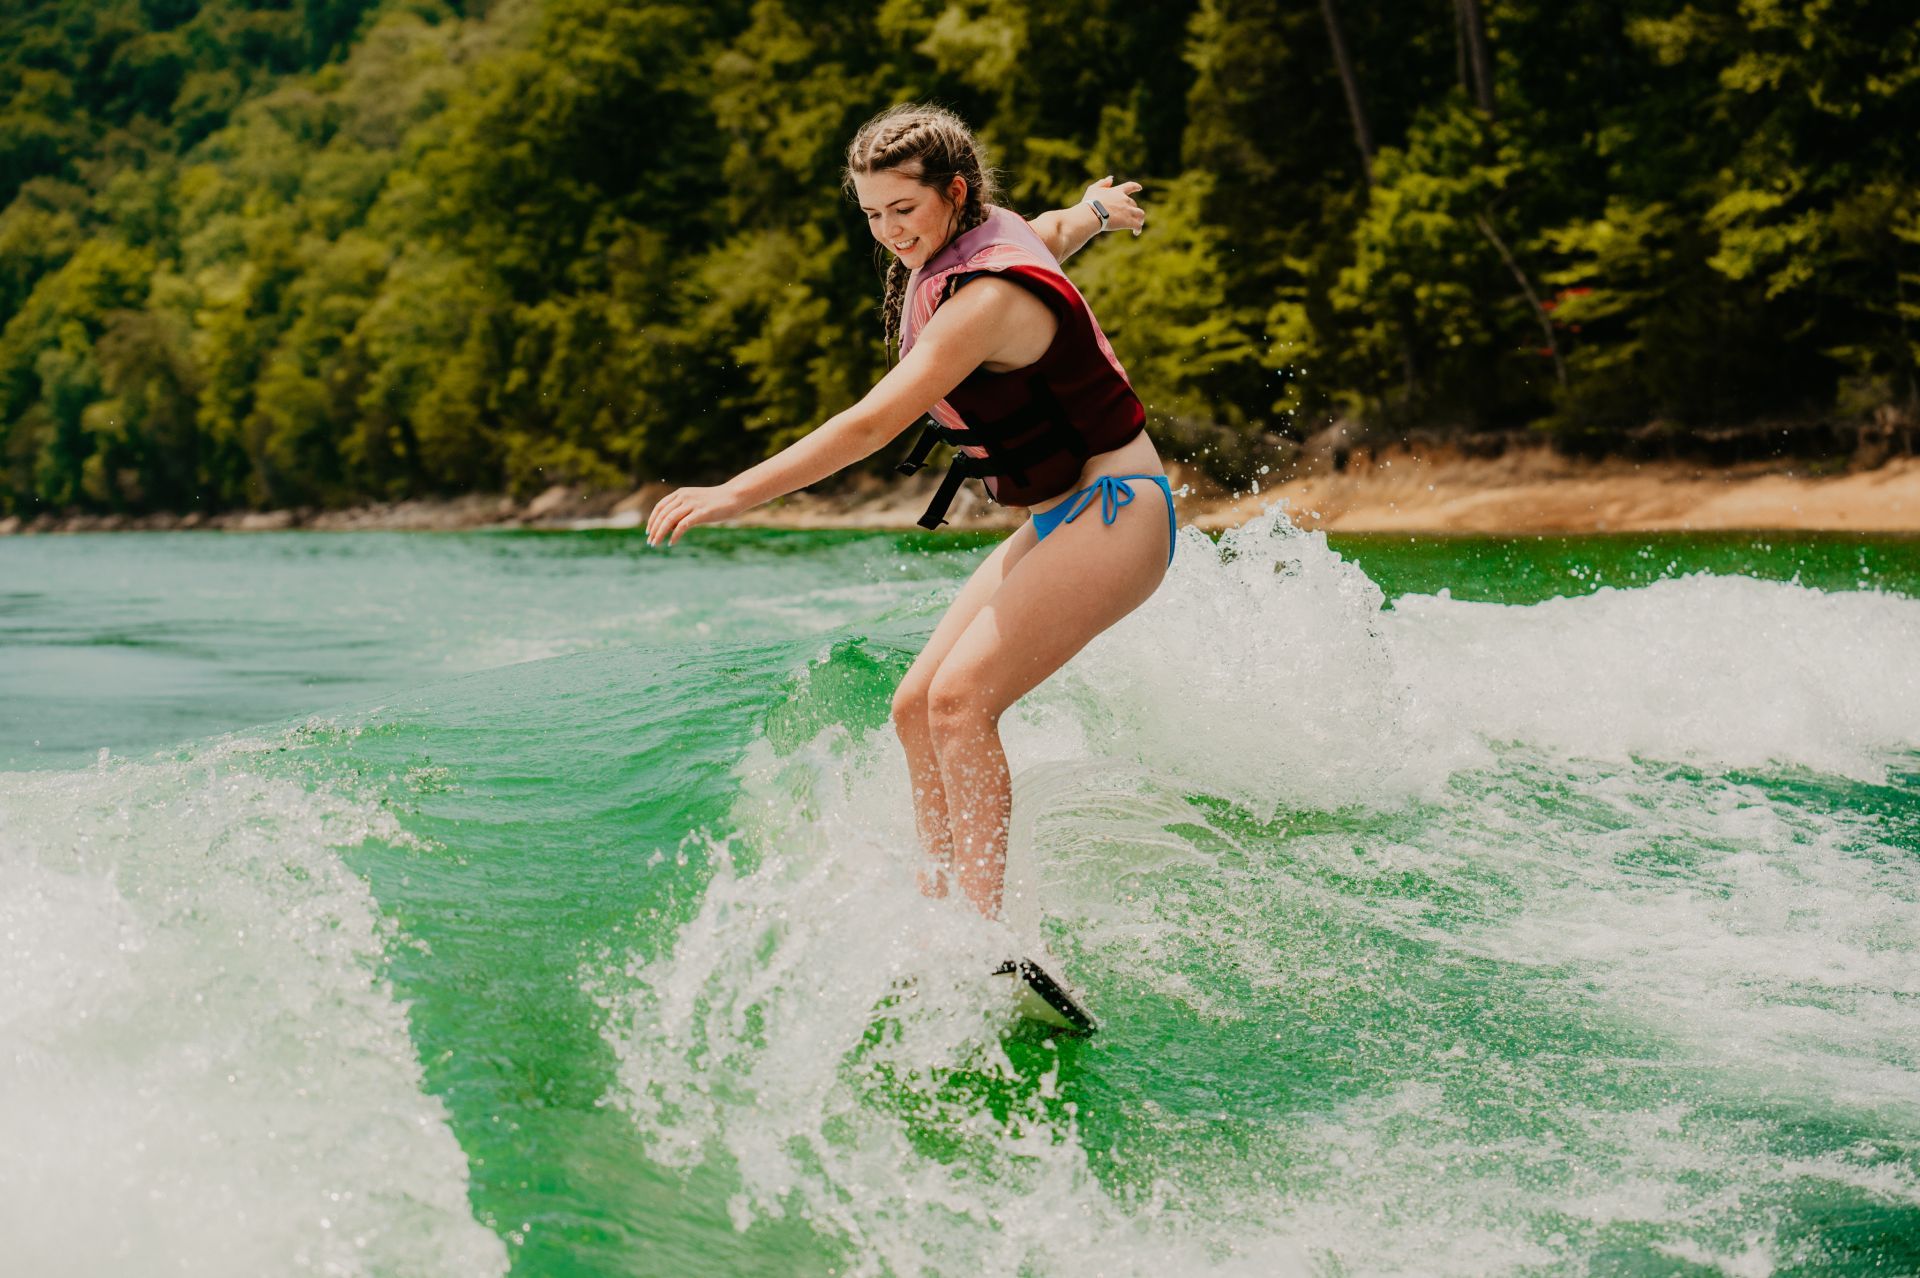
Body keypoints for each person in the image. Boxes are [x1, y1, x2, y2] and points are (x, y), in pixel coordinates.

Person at [645, 103, 1174, 921]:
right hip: (1061, 519)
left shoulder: (984, 300)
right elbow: (1059, 228)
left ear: (954, 193)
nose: (890, 231)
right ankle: (937, 905)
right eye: (871, 215)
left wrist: (733, 492)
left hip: (1119, 510)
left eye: (904, 209)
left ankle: (982, 929)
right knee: (913, 709)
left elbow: (869, 424)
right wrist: (1099, 209)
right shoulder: (986, 240)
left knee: (961, 703)